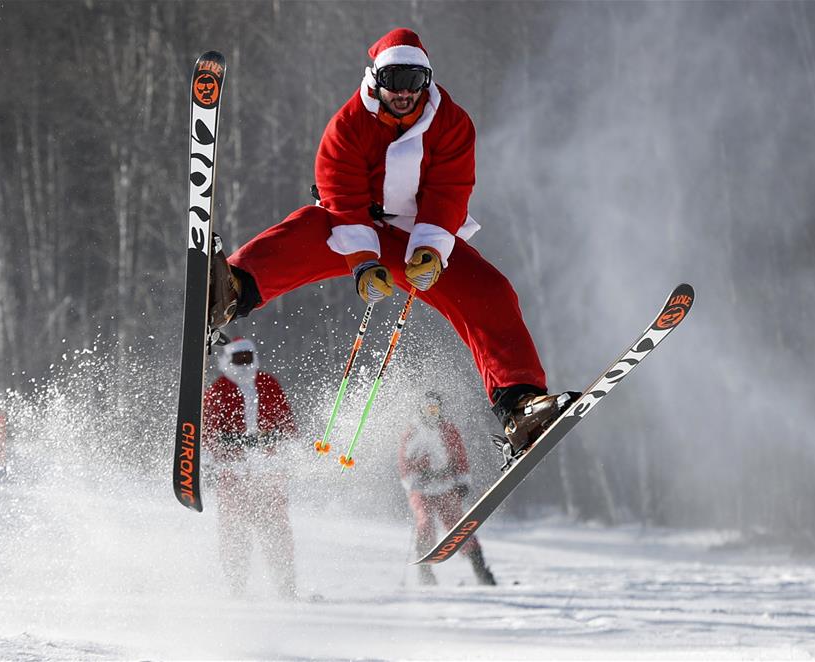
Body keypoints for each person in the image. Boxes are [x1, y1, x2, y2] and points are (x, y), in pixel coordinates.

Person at [210, 28, 578, 463]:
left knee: (488, 292)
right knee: (307, 227)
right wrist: (364, 262)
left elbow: (450, 192)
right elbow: (341, 197)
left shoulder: (452, 123)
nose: (403, 92)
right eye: (393, 79)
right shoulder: (348, 125)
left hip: (416, 234)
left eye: (414, 81)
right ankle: (230, 289)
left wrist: (430, 250)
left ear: (428, 80)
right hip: (353, 226)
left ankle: (520, 405)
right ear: (376, 79)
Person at [202, 337, 298, 599]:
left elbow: (287, 425)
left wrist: (276, 442)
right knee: (234, 534)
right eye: (238, 359)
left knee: (277, 532)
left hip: (268, 473)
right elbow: (208, 433)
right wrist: (224, 449)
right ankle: (236, 588)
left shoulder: (268, 384)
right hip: (234, 474)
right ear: (227, 361)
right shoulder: (218, 390)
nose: (244, 365)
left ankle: (286, 587)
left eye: (247, 358)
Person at [398, 391, 496, 586]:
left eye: (435, 409)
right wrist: (413, 479)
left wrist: (462, 481)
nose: (432, 413)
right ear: (422, 410)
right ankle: (425, 572)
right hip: (422, 489)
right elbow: (404, 462)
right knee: (425, 523)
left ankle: (480, 569)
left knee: (458, 526)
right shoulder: (412, 432)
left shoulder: (448, 430)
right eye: (429, 409)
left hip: (445, 486)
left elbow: (460, 457)